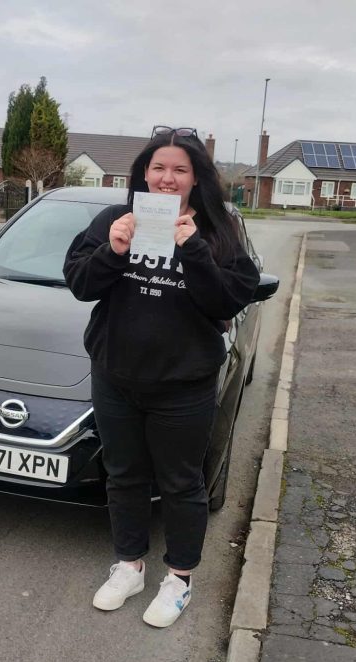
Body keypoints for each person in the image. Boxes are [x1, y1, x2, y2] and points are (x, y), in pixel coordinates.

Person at [63, 126, 260, 627]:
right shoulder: (116, 219)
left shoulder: (218, 232)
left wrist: (193, 249)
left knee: (181, 484)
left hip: (183, 386)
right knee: (124, 476)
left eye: (179, 170)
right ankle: (129, 566)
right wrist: (112, 250)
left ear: (196, 179)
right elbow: (81, 285)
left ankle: (179, 580)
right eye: (158, 168)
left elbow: (228, 301)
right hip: (116, 377)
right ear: (143, 175)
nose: (167, 178)